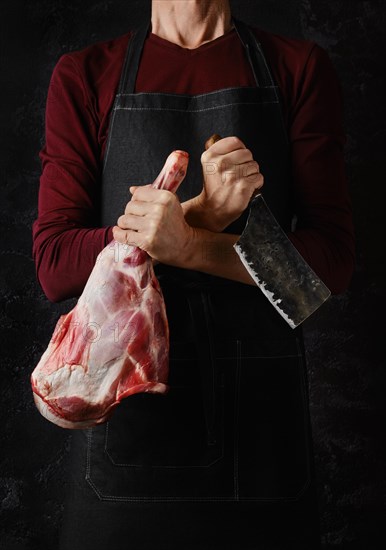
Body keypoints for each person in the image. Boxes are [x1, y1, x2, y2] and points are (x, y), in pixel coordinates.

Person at [32, 1, 355, 548]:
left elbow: (328, 266)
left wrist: (192, 243)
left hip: (262, 440)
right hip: (128, 438)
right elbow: (55, 262)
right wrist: (199, 214)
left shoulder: (296, 67)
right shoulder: (86, 75)